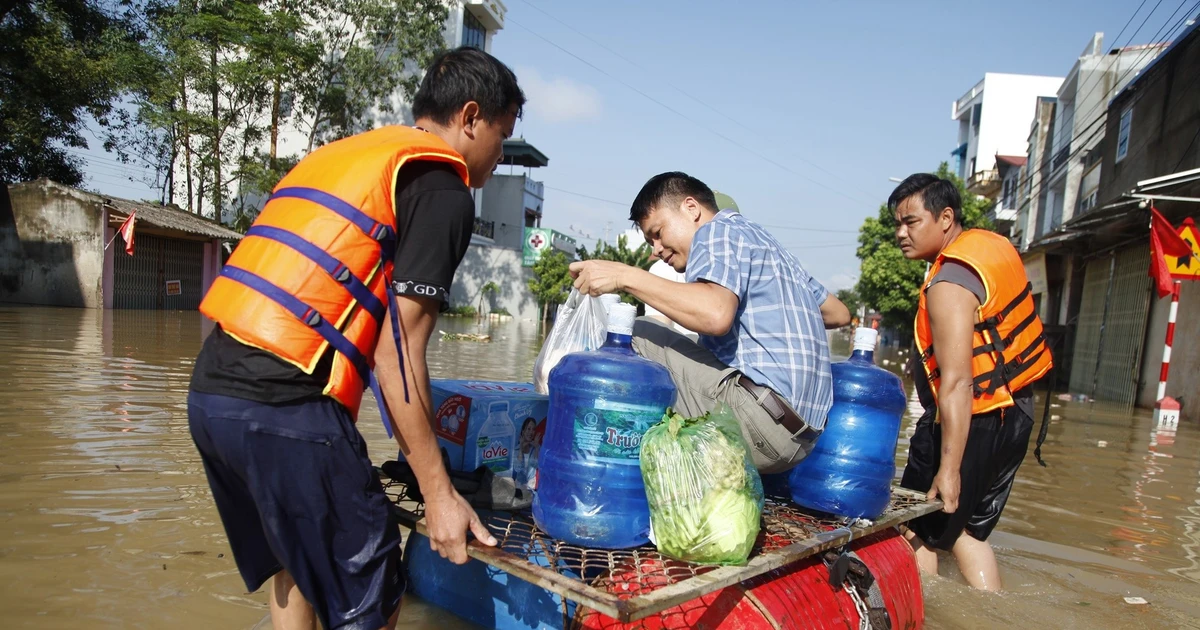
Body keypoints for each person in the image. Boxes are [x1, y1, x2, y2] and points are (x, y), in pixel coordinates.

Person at [186, 47, 525, 630]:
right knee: (373, 592)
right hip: (285, 407)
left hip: (212, 393)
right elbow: (398, 353)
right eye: (502, 133)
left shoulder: (349, 154)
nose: (500, 154)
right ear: (470, 117)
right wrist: (439, 493)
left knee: (294, 563)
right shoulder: (444, 186)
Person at [570, 172, 850, 474]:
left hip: (760, 425)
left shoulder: (716, 231)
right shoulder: (767, 244)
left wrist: (625, 276)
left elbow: (715, 315)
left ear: (691, 209)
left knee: (638, 332)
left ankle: (601, 462)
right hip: (802, 439)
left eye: (658, 232)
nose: (655, 248)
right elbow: (837, 313)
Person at [889, 173, 1052, 591]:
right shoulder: (990, 247)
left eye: (911, 221)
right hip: (1017, 411)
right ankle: (992, 610)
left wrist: (948, 469)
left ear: (945, 217)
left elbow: (959, 383)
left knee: (914, 530)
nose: (900, 233)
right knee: (968, 532)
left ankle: (925, 615)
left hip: (972, 420)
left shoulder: (948, 284)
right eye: (897, 223)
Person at [642, 189, 739, 339]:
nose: (656, 250)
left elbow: (717, 318)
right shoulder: (666, 269)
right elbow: (660, 325)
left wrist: (626, 277)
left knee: (642, 332)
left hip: (706, 357)